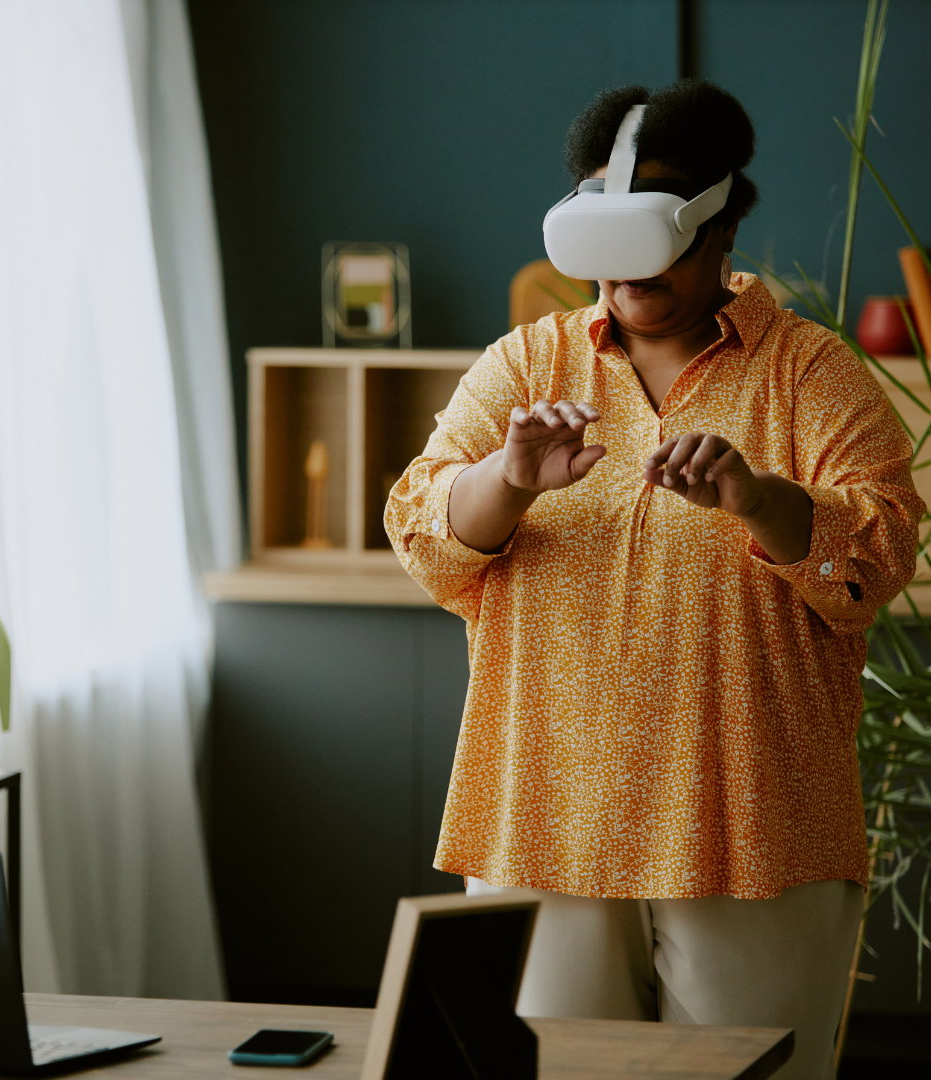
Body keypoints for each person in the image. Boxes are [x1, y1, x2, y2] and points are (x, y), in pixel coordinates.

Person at [384, 80, 924, 1080]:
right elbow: (420, 530)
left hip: (757, 835)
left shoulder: (812, 374)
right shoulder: (526, 365)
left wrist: (761, 501)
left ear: (721, 222)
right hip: (543, 826)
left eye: (657, 217)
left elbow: (879, 559)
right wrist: (505, 479)